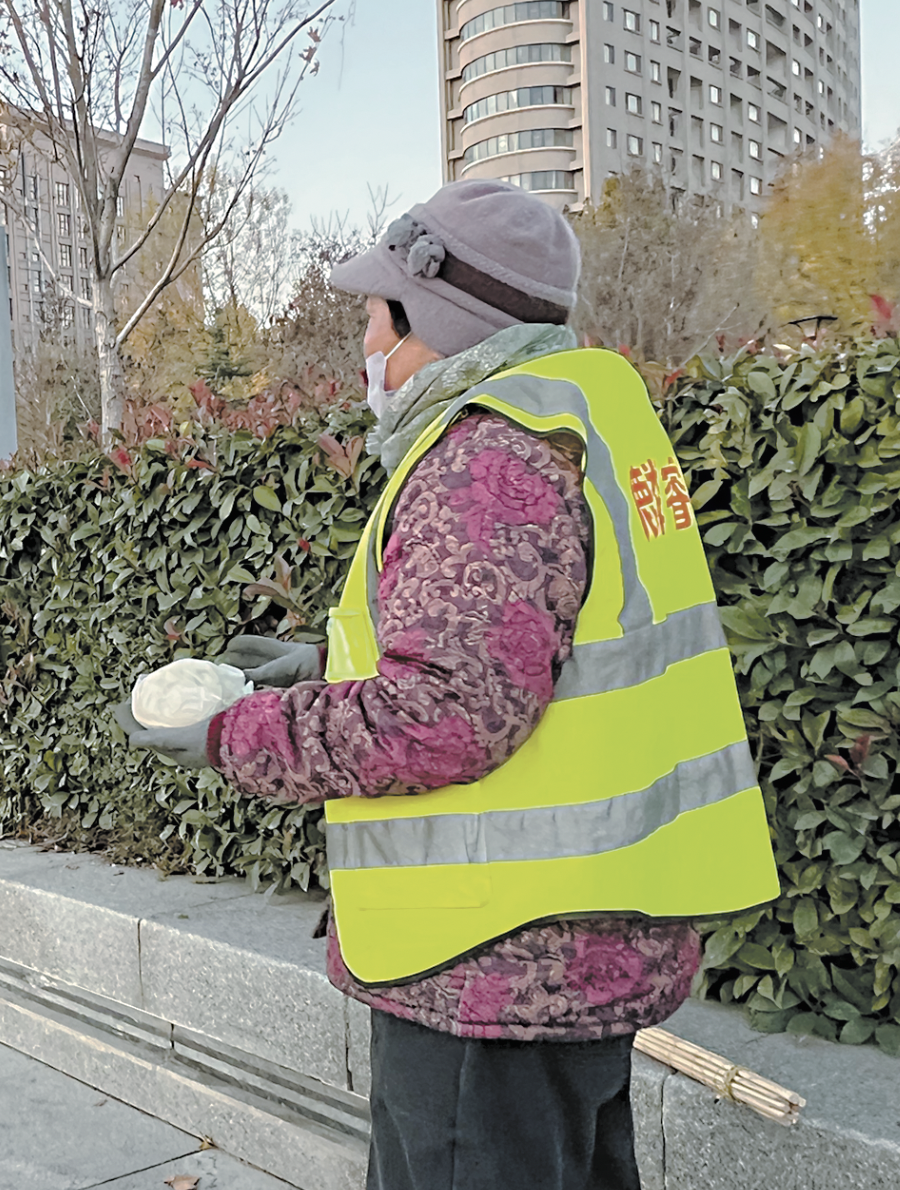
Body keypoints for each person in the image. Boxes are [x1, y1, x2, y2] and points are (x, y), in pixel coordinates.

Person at [119, 179, 779, 1190]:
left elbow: (445, 713)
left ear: (432, 319)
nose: (365, 343)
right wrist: (325, 665)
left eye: (374, 316)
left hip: (491, 970)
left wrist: (232, 729)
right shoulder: (583, 424)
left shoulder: (485, 456)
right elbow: (528, 658)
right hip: (576, 955)